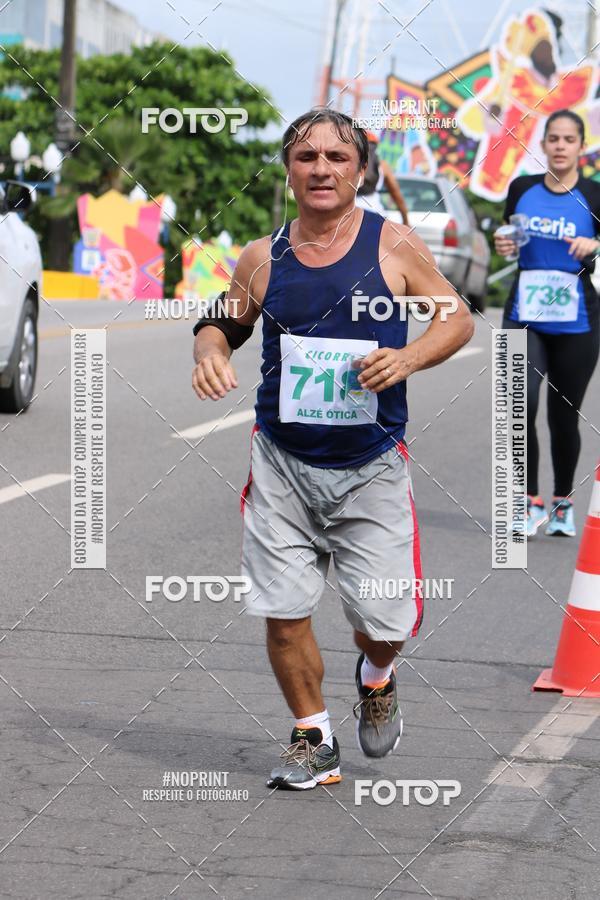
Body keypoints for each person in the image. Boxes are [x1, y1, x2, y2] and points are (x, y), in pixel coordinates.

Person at [192, 108, 473, 790]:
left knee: (385, 620)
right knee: (284, 612)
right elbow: (223, 321)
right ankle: (313, 737)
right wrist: (209, 350)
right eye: (307, 156)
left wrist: (407, 359)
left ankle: (377, 672)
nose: (321, 168)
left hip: (371, 466)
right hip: (281, 463)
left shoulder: (394, 246)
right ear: (289, 171)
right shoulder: (263, 256)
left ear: (361, 171)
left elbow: (457, 318)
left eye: (337, 157)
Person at [495, 109, 600, 538]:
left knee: (563, 416)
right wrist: (502, 243)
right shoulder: (522, 188)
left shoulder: (594, 194)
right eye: (553, 138)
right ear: (542, 145)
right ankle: (527, 501)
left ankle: (561, 503)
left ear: (581, 147)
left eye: (568, 139)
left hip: (577, 321)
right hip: (525, 315)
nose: (560, 146)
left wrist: (594, 245)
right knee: (521, 405)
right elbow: (509, 237)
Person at [355, 131, 410, 224]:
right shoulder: (383, 166)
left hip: (350, 215)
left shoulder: (347, 165)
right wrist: (406, 221)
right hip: (375, 214)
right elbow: (397, 195)